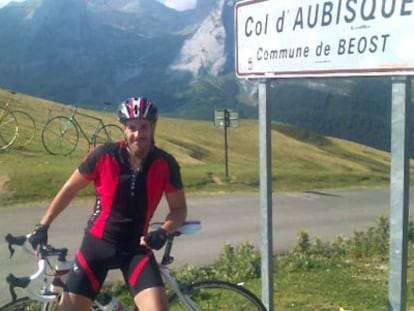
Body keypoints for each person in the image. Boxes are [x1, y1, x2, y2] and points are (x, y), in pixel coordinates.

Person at [28, 97, 187, 311]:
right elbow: (69, 189)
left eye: (143, 127)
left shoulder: (165, 164)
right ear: (123, 128)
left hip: (136, 249)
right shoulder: (103, 156)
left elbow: (179, 209)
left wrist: (164, 231)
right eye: (132, 127)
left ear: (153, 127)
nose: (138, 134)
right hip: (96, 246)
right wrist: (43, 225)